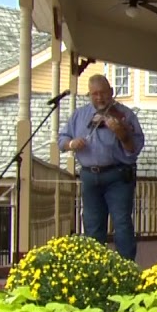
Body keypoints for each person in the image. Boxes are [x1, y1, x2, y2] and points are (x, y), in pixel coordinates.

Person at [58, 74, 145, 261]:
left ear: (111, 92)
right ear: (89, 94)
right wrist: (72, 144)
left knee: (121, 222)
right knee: (92, 224)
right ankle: (96, 268)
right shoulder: (79, 115)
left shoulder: (125, 115)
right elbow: (62, 139)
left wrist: (121, 133)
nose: (99, 98)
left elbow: (134, 148)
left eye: (103, 93)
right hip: (89, 175)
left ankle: (126, 267)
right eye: (94, 94)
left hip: (118, 175)